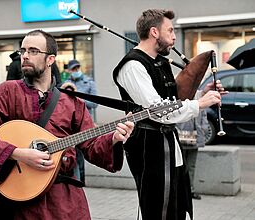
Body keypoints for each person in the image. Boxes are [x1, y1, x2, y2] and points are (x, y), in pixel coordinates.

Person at [0, 29, 134, 220]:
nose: (26, 56)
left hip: (64, 203)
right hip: (18, 202)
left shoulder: (72, 102)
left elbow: (92, 147)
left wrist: (113, 138)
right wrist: (18, 153)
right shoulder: (6, 92)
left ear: (50, 60)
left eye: (34, 51)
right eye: (23, 51)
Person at [112, 9, 224, 220]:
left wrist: (206, 93)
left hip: (169, 142)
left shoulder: (159, 62)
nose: (174, 36)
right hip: (149, 147)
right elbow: (157, 111)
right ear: (154, 32)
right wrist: (199, 104)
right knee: (158, 209)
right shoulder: (133, 66)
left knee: (177, 205)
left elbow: (175, 99)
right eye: (170, 30)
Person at [61, 59, 98, 184]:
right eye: (73, 69)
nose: (76, 71)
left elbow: (94, 103)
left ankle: (81, 180)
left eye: (77, 68)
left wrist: (78, 97)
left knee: (82, 152)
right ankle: (74, 179)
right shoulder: (66, 83)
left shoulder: (89, 82)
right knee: (72, 152)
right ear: (69, 70)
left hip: (85, 122)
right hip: (69, 123)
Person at [176, 91, 209, 200]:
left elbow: (203, 114)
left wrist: (204, 128)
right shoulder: (180, 93)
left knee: (191, 166)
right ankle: (179, 191)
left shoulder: (199, 95)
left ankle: (190, 190)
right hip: (182, 136)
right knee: (179, 166)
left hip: (195, 137)